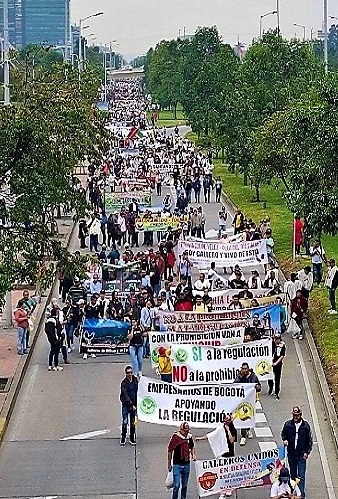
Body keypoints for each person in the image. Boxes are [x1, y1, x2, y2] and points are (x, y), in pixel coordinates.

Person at [281, 406, 313, 499]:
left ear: (300, 415)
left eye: (297, 415)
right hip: (291, 453)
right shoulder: (288, 425)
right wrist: (285, 439)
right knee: (293, 474)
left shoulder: (305, 426)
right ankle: (294, 492)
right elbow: (283, 433)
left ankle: (301, 495)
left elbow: (309, 440)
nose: (296, 417)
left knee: (301, 475)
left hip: (301, 454)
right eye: (294, 415)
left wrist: (307, 452)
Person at [234, 362, 261, 446]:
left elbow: (259, 387)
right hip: (242, 400)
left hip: (251, 400)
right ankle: (243, 436)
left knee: (249, 416)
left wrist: (256, 387)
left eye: (246, 369)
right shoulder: (239, 376)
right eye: (243, 369)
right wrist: (240, 377)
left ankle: (248, 429)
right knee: (242, 416)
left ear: (248, 369)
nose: (244, 370)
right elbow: (235, 385)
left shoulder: (253, 377)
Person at [167, 422, 196, 499]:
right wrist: (169, 464)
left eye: (187, 431)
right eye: (185, 431)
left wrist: (193, 455)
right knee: (176, 485)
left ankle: (183, 497)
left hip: (186, 464)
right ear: (181, 430)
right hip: (177, 464)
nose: (186, 432)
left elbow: (192, 447)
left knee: (185, 485)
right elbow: (170, 450)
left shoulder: (189, 437)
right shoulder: (176, 437)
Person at [119, 365, 138, 446]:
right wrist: (131, 404)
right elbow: (125, 395)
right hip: (126, 405)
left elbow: (138, 390)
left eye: (130, 372)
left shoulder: (135, 380)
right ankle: (123, 438)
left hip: (134, 404)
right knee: (125, 421)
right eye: (128, 373)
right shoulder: (123, 383)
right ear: (125, 373)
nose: (129, 374)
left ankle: (132, 438)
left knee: (133, 422)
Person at [268, 333, 286, 400]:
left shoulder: (282, 345)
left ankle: (276, 393)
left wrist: (276, 363)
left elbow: (282, 356)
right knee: (269, 377)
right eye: (275, 339)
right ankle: (270, 387)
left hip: (278, 364)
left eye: (278, 339)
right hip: (270, 363)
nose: (276, 341)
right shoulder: (271, 344)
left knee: (277, 379)